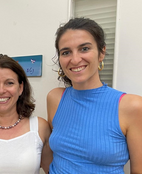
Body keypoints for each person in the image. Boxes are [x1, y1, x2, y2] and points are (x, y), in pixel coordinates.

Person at [47, 17, 142, 173]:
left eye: (84, 49)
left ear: (101, 52)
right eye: (66, 52)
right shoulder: (55, 98)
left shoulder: (132, 106)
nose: (75, 59)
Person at [0, 54, 52, 174]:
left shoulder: (40, 127)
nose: (1, 90)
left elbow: (53, 171)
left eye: (9, 83)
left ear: (21, 88)